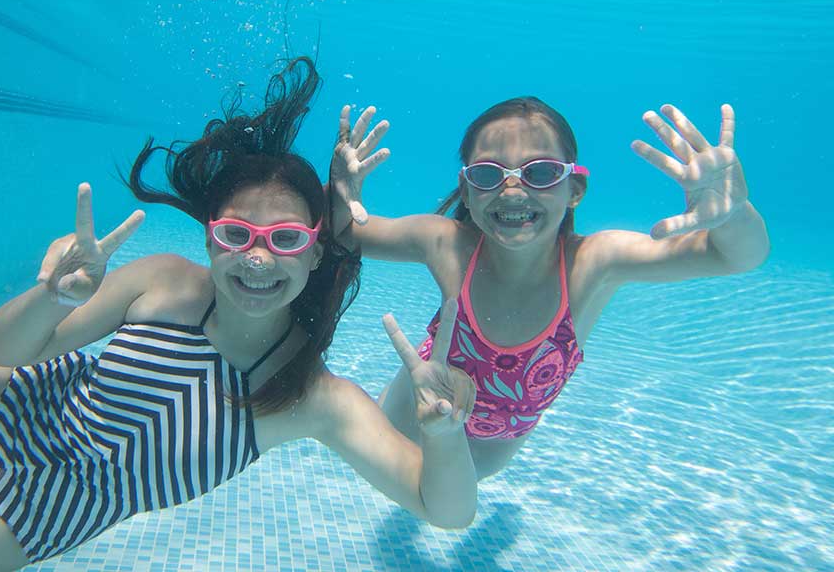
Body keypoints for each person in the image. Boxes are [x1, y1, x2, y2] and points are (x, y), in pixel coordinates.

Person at [0, 57, 477, 571]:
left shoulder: (312, 397)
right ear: (210, 239)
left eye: (284, 239)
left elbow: (445, 510)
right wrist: (53, 297)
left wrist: (445, 435)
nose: (258, 258)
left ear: (313, 252)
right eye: (236, 235)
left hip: (39, 506)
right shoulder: (166, 281)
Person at [330, 97, 770, 479]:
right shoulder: (446, 244)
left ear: (574, 189)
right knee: (383, 476)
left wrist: (733, 214)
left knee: (446, 505)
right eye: (488, 175)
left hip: (487, 452)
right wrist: (339, 190)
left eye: (539, 173)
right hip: (407, 415)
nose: (512, 190)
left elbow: (734, 255)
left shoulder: (595, 263)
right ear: (466, 190)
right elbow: (345, 232)